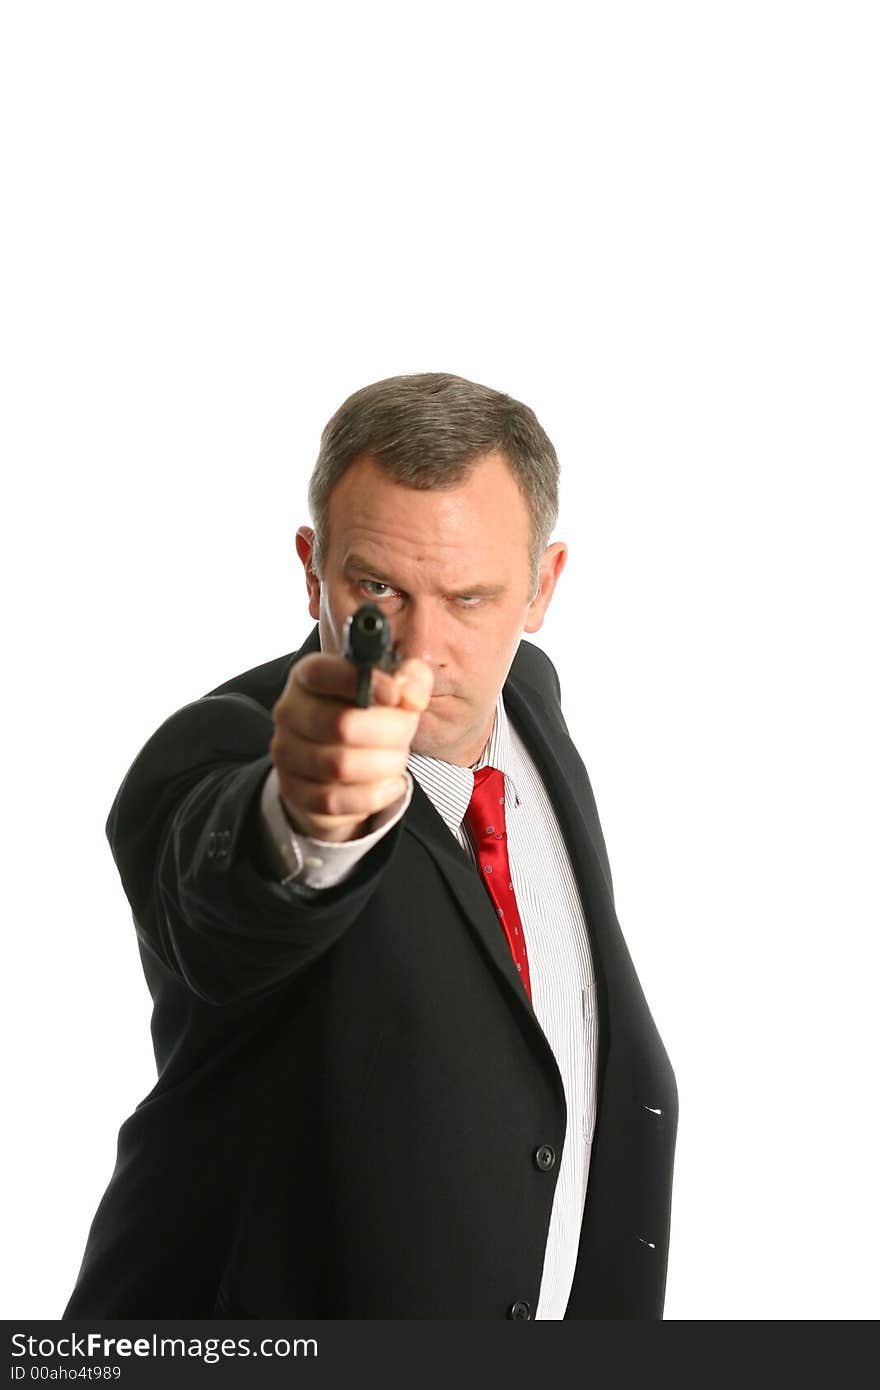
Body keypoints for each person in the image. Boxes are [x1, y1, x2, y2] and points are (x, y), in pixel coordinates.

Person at [64, 371, 678, 1320]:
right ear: (313, 566)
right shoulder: (221, 750)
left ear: (543, 588)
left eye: (472, 598)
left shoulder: (533, 712)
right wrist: (314, 819)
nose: (422, 650)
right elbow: (226, 901)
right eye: (378, 590)